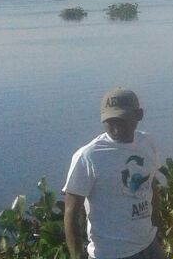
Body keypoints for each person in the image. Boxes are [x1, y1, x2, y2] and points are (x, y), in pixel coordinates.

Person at [63, 88, 167, 259]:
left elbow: (151, 185)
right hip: (111, 254)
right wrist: (77, 255)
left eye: (122, 120)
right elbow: (71, 211)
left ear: (138, 115)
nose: (116, 128)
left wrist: (156, 227)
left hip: (149, 246)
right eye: (110, 121)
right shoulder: (88, 156)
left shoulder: (147, 144)